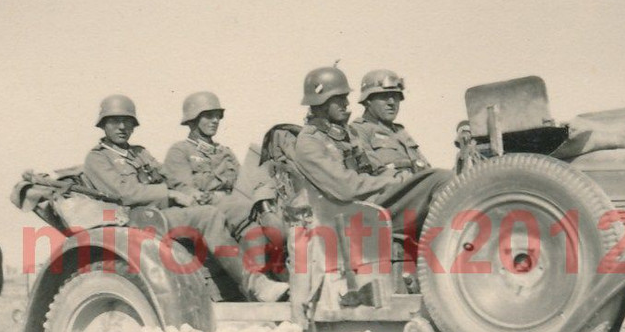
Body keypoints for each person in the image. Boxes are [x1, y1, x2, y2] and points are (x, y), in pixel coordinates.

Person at [83, 93, 287, 302]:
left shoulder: (139, 153)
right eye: (114, 121)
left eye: (127, 121)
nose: (122, 127)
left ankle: (264, 275)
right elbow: (124, 193)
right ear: (103, 125)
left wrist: (189, 192)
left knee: (241, 210)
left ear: (134, 125)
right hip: (137, 219)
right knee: (208, 216)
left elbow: (167, 176)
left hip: (161, 212)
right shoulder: (97, 158)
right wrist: (170, 194)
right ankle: (255, 285)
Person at [292, 67, 452, 239]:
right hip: (355, 217)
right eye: (339, 98)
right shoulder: (309, 142)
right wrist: (393, 182)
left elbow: (375, 169)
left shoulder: (345, 135)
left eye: (345, 97)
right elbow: (347, 188)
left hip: (370, 207)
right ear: (321, 101)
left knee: (447, 181)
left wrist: (403, 178)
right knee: (439, 179)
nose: (347, 103)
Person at [163, 91, 275, 238]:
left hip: (237, 209)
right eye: (209, 116)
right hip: (208, 215)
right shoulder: (180, 151)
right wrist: (217, 197)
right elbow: (187, 192)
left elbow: (244, 184)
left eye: (218, 116)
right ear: (193, 119)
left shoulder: (225, 152)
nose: (215, 120)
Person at [349, 69, 431, 177]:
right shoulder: (358, 130)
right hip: (393, 185)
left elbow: (426, 168)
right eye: (384, 96)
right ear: (368, 101)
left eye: (395, 96)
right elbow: (373, 172)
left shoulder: (400, 131)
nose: (392, 102)